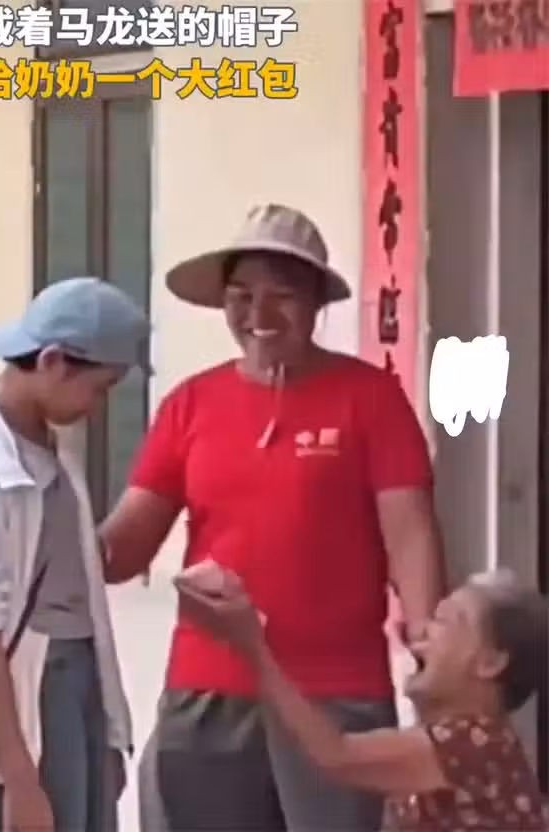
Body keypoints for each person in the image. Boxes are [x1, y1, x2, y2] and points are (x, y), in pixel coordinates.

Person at [100, 204, 446, 831]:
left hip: (336, 693)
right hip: (208, 687)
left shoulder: (370, 399)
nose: (258, 314)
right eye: (241, 296)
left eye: (281, 295)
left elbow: (411, 538)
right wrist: (41, 515)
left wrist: (435, 669)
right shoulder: (190, 405)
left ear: (316, 303)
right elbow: (122, 550)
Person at [0, 277, 149, 832]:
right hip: (30, 690)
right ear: (52, 362)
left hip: (78, 673)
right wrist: (19, 777)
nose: (97, 408)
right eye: (99, 389)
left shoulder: (42, 436)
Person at [175, 565, 548, 832]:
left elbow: (336, 754)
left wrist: (252, 646)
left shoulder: (470, 744)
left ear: (490, 662)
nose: (422, 635)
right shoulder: (477, 744)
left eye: (446, 623)